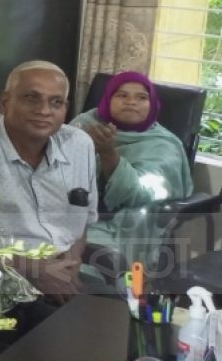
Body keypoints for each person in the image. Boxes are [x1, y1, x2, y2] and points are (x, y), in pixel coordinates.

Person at [0, 61, 98, 315]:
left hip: (63, 271)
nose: (44, 110)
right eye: (31, 98)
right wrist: (35, 270)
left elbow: (83, 222)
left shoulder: (80, 145)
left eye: (56, 102)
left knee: (122, 311)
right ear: (5, 102)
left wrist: (71, 261)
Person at [70, 71, 193, 271]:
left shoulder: (164, 146)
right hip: (70, 212)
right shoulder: (85, 123)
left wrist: (108, 153)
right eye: (121, 95)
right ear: (108, 99)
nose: (131, 102)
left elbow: (141, 194)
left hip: (122, 226)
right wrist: (82, 148)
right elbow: (53, 168)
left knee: (73, 264)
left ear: (152, 105)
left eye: (141, 97)